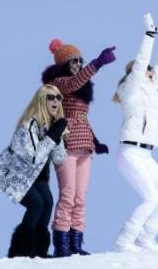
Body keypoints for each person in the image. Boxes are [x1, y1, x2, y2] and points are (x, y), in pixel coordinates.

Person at [41, 39, 116, 257]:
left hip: (84, 146)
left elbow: (81, 118)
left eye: (79, 60)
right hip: (66, 146)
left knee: (80, 197)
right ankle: (62, 246)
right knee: (68, 195)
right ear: (63, 64)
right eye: (73, 61)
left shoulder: (82, 86)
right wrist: (98, 63)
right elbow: (74, 84)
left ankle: (76, 243)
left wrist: (95, 140)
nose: (77, 64)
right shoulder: (59, 83)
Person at [112, 13, 158, 252]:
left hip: (146, 155)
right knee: (150, 197)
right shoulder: (130, 89)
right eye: (147, 70)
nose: (152, 72)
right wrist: (150, 34)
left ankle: (146, 238)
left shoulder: (151, 90)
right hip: (129, 151)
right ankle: (124, 241)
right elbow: (142, 62)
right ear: (137, 74)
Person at [0, 84, 68, 258]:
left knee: (47, 202)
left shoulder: (50, 126)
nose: (56, 101)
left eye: (58, 97)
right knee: (36, 204)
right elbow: (34, 158)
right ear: (41, 101)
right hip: (11, 176)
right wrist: (53, 135)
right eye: (50, 97)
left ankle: (39, 252)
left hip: (35, 177)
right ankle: (20, 252)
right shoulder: (28, 126)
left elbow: (59, 158)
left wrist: (59, 136)